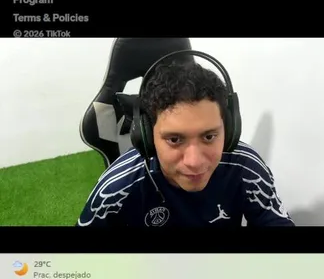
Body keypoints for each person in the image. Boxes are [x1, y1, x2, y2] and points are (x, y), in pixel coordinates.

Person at [78, 58, 293, 227]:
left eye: (209, 137)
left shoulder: (247, 169)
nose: (195, 162)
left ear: (229, 130)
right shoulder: (115, 190)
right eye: (174, 139)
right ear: (147, 137)